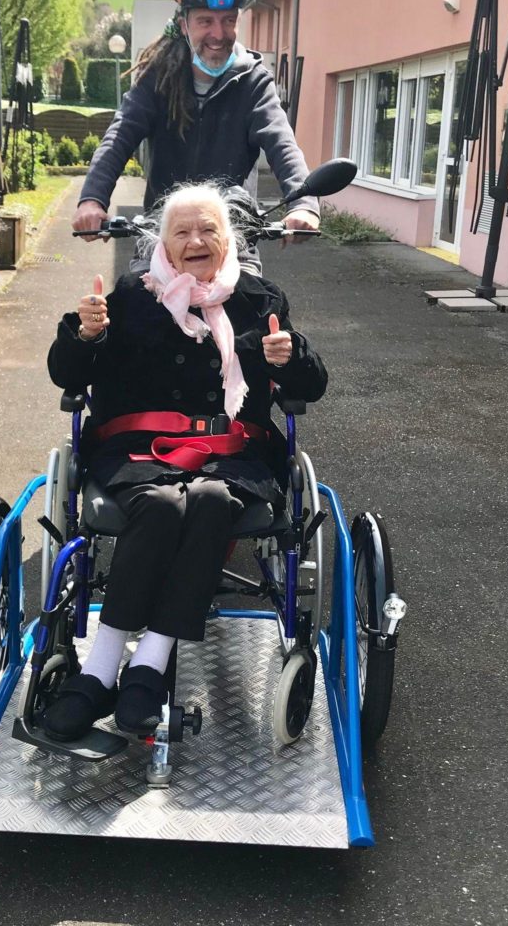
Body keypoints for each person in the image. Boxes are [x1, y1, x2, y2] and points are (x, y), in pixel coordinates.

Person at [45, 182, 327, 741]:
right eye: (182, 232)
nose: (196, 240)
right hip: (138, 452)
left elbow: (310, 386)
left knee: (210, 499)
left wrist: (289, 357)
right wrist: (86, 335)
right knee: (158, 503)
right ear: (165, 245)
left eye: (208, 230)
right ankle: (102, 672)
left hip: (232, 454)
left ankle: (147, 666)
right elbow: (67, 376)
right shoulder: (128, 295)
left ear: (229, 240)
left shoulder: (259, 298)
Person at [72, 0, 319, 274]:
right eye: (205, 21)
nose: (218, 33)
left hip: (232, 242)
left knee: (258, 314)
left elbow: (282, 142)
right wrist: (92, 198)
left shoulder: (253, 80)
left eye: (229, 20)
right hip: (162, 239)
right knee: (134, 311)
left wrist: (303, 203)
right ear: (184, 23)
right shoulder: (158, 76)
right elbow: (120, 135)